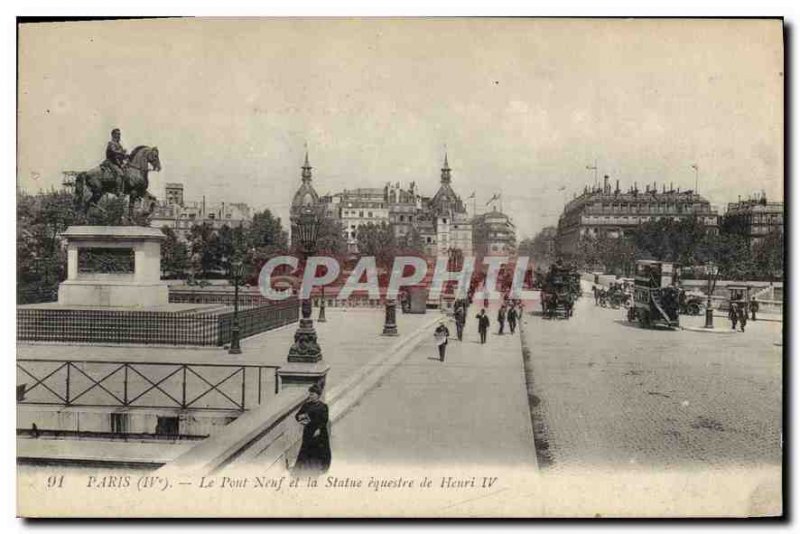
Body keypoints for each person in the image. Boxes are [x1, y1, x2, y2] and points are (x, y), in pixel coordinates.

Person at [293, 384, 331, 475]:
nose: (311, 396)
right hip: (309, 431)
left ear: (318, 395)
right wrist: (303, 420)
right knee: (307, 449)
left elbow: (324, 419)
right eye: (310, 394)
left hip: (320, 432)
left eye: (313, 394)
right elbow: (297, 416)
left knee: (319, 450)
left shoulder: (323, 406)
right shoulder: (306, 405)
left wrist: (319, 429)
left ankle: (318, 468)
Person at [104, 128, 128, 194]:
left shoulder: (119, 145)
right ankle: (118, 191)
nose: (119, 136)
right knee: (120, 173)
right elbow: (114, 152)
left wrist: (126, 156)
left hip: (117, 163)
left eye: (119, 134)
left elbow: (121, 155)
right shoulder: (111, 143)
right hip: (111, 162)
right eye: (117, 134)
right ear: (113, 135)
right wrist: (122, 152)